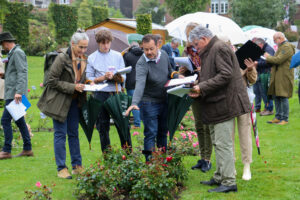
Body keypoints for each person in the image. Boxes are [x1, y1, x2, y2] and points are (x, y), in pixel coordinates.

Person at [188, 26, 251, 193]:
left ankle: (229, 182)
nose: (196, 48)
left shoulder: (219, 48)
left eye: (196, 44)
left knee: (223, 144)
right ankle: (219, 176)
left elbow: (225, 75)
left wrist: (201, 87)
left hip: (225, 103)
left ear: (204, 38)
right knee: (218, 142)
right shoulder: (213, 49)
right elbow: (214, 75)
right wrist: (198, 86)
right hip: (218, 103)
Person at [38, 30, 89, 178]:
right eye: (81, 47)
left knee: (74, 134)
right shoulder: (61, 58)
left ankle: (77, 166)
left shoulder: (83, 59)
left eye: (86, 47)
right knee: (60, 134)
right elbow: (51, 81)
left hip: (74, 102)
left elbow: (80, 78)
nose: (83, 51)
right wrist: (73, 87)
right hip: (59, 102)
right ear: (72, 44)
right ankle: (61, 168)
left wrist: (88, 83)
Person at [125, 34, 181, 161]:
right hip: (148, 102)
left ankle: (161, 163)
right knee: (150, 134)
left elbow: (170, 71)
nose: (148, 52)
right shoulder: (141, 63)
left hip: (164, 100)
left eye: (151, 49)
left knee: (162, 133)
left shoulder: (165, 55)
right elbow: (139, 84)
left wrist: (178, 77)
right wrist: (134, 102)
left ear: (158, 46)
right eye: (145, 49)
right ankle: (149, 165)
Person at [86, 29, 129, 152]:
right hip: (100, 95)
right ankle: (107, 155)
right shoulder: (92, 58)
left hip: (116, 93)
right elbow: (89, 78)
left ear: (111, 42)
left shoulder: (117, 56)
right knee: (103, 126)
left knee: (122, 124)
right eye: (103, 43)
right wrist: (103, 77)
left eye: (107, 43)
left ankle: (128, 154)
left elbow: (124, 76)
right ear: (98, 43)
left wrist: (115, 77)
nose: (105, 46)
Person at [180, 22, 213, 172]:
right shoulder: (186, 51)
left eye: (192, 35)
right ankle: (202, 156)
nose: (190, 39)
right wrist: (181, 72)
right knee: (199, 125)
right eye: (188, 35)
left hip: (205, 88)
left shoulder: (206, 49)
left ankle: (208, 158)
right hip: (193, 88)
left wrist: (202, 69)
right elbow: (182, 70)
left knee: (207, 126)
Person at [0, 32, 33, 160]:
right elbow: (14, 72)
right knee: (20, 121)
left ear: (7, 42)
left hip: (15, 94)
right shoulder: (13, 53)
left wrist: (19, 91)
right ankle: (27, 149)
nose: (3, 47)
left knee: (5, 120)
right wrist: (3, 75)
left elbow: (22, 72)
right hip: (12, 93)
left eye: (3, 44)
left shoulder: (17, 53)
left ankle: (6, 150)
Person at [265, 32, 295, 125]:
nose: (274, 42)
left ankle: (285, 119)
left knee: (283, 96)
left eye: (275, 40)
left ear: (280, 38)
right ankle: (278, 117)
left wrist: (268, 57)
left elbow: (278, 60)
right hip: (277, 76)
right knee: (276, 95)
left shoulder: (287, 47)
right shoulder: (281, 47)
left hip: (284, 76)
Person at [123, 42, 143, 129]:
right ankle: (141, 122)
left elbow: (123, 69)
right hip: (142, 80)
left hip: (130, 82)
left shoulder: (127, 55)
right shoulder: (143, 54)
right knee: (141, 102)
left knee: (133, 102)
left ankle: (137, 124)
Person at [253, 38, 275, 116]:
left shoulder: (268, 50)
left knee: (266, 92)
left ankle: (269, 109)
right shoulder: (263, 49)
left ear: (260, 44)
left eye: (257, 46)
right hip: (261, 73)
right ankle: (266, 108)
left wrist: (257, 63)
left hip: (266, 73)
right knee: (262, 92)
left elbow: (269, 62)